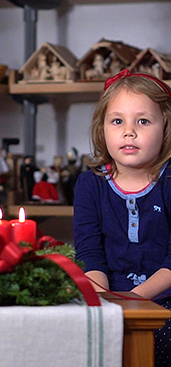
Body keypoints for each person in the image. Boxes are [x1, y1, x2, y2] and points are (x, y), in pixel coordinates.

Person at [73, 68, 171, 367]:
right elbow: (90, 254)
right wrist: (105, 300)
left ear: (166, 128)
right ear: (102, 128)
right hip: (107, 298)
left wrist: (134, 301)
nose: (129, 131)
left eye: (143, 121)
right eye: (117, 121)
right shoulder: (90, 184)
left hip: (163, 301)